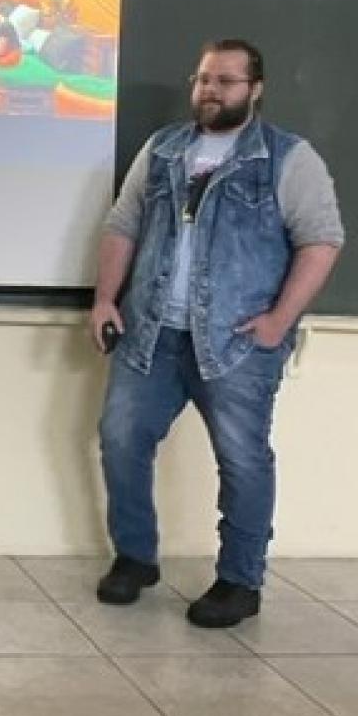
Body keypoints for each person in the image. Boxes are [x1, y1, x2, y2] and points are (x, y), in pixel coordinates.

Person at [91, 39, 342, 628]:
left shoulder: (288, 158)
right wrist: (105, 298)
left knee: (243, 461)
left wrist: (279, 321)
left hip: (236, 343)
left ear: (255, 89)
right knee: (120, 439)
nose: (211, 90)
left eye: (226, 81)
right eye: (204, 79)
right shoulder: (163, 149)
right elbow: (123, 224)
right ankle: (135, 558)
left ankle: (239, 581)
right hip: (151, 333)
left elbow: (321, 240)